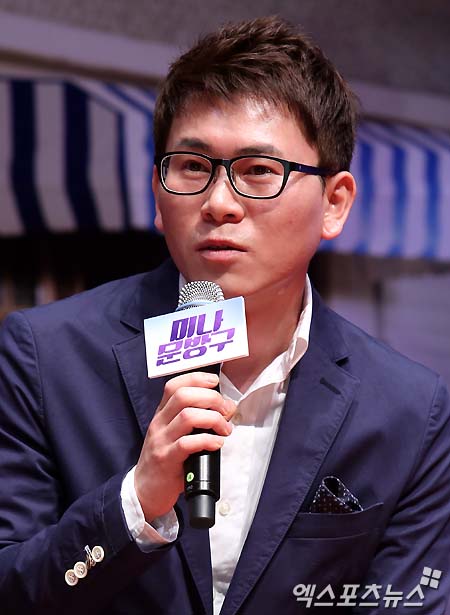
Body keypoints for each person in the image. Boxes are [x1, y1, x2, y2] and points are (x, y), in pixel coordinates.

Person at [0, 15, 449, 615]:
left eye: (259, 171)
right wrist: (136, 503)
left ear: (334, 203)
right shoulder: (45, 354)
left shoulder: (408, 409)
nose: (217, 203)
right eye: (192, 166)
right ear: (158, 194)